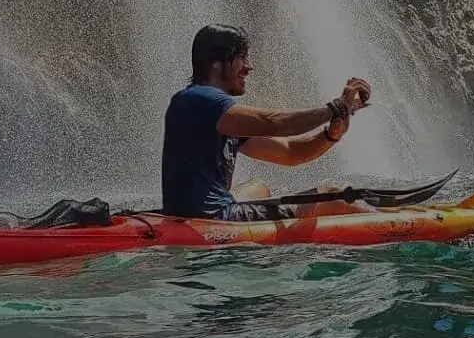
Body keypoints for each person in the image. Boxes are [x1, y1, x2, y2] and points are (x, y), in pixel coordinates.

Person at [160, 24, 375, 221]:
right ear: (216, 63)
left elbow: (290, 152)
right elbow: (273, 123)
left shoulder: (206, 109)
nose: (249, 66)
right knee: (331, 196)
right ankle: (397, 223)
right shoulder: (202, 99)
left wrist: (331, 135)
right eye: (241, 57)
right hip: (215, 219)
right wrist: (337, 108)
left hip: (196, 213)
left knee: (258, 187)